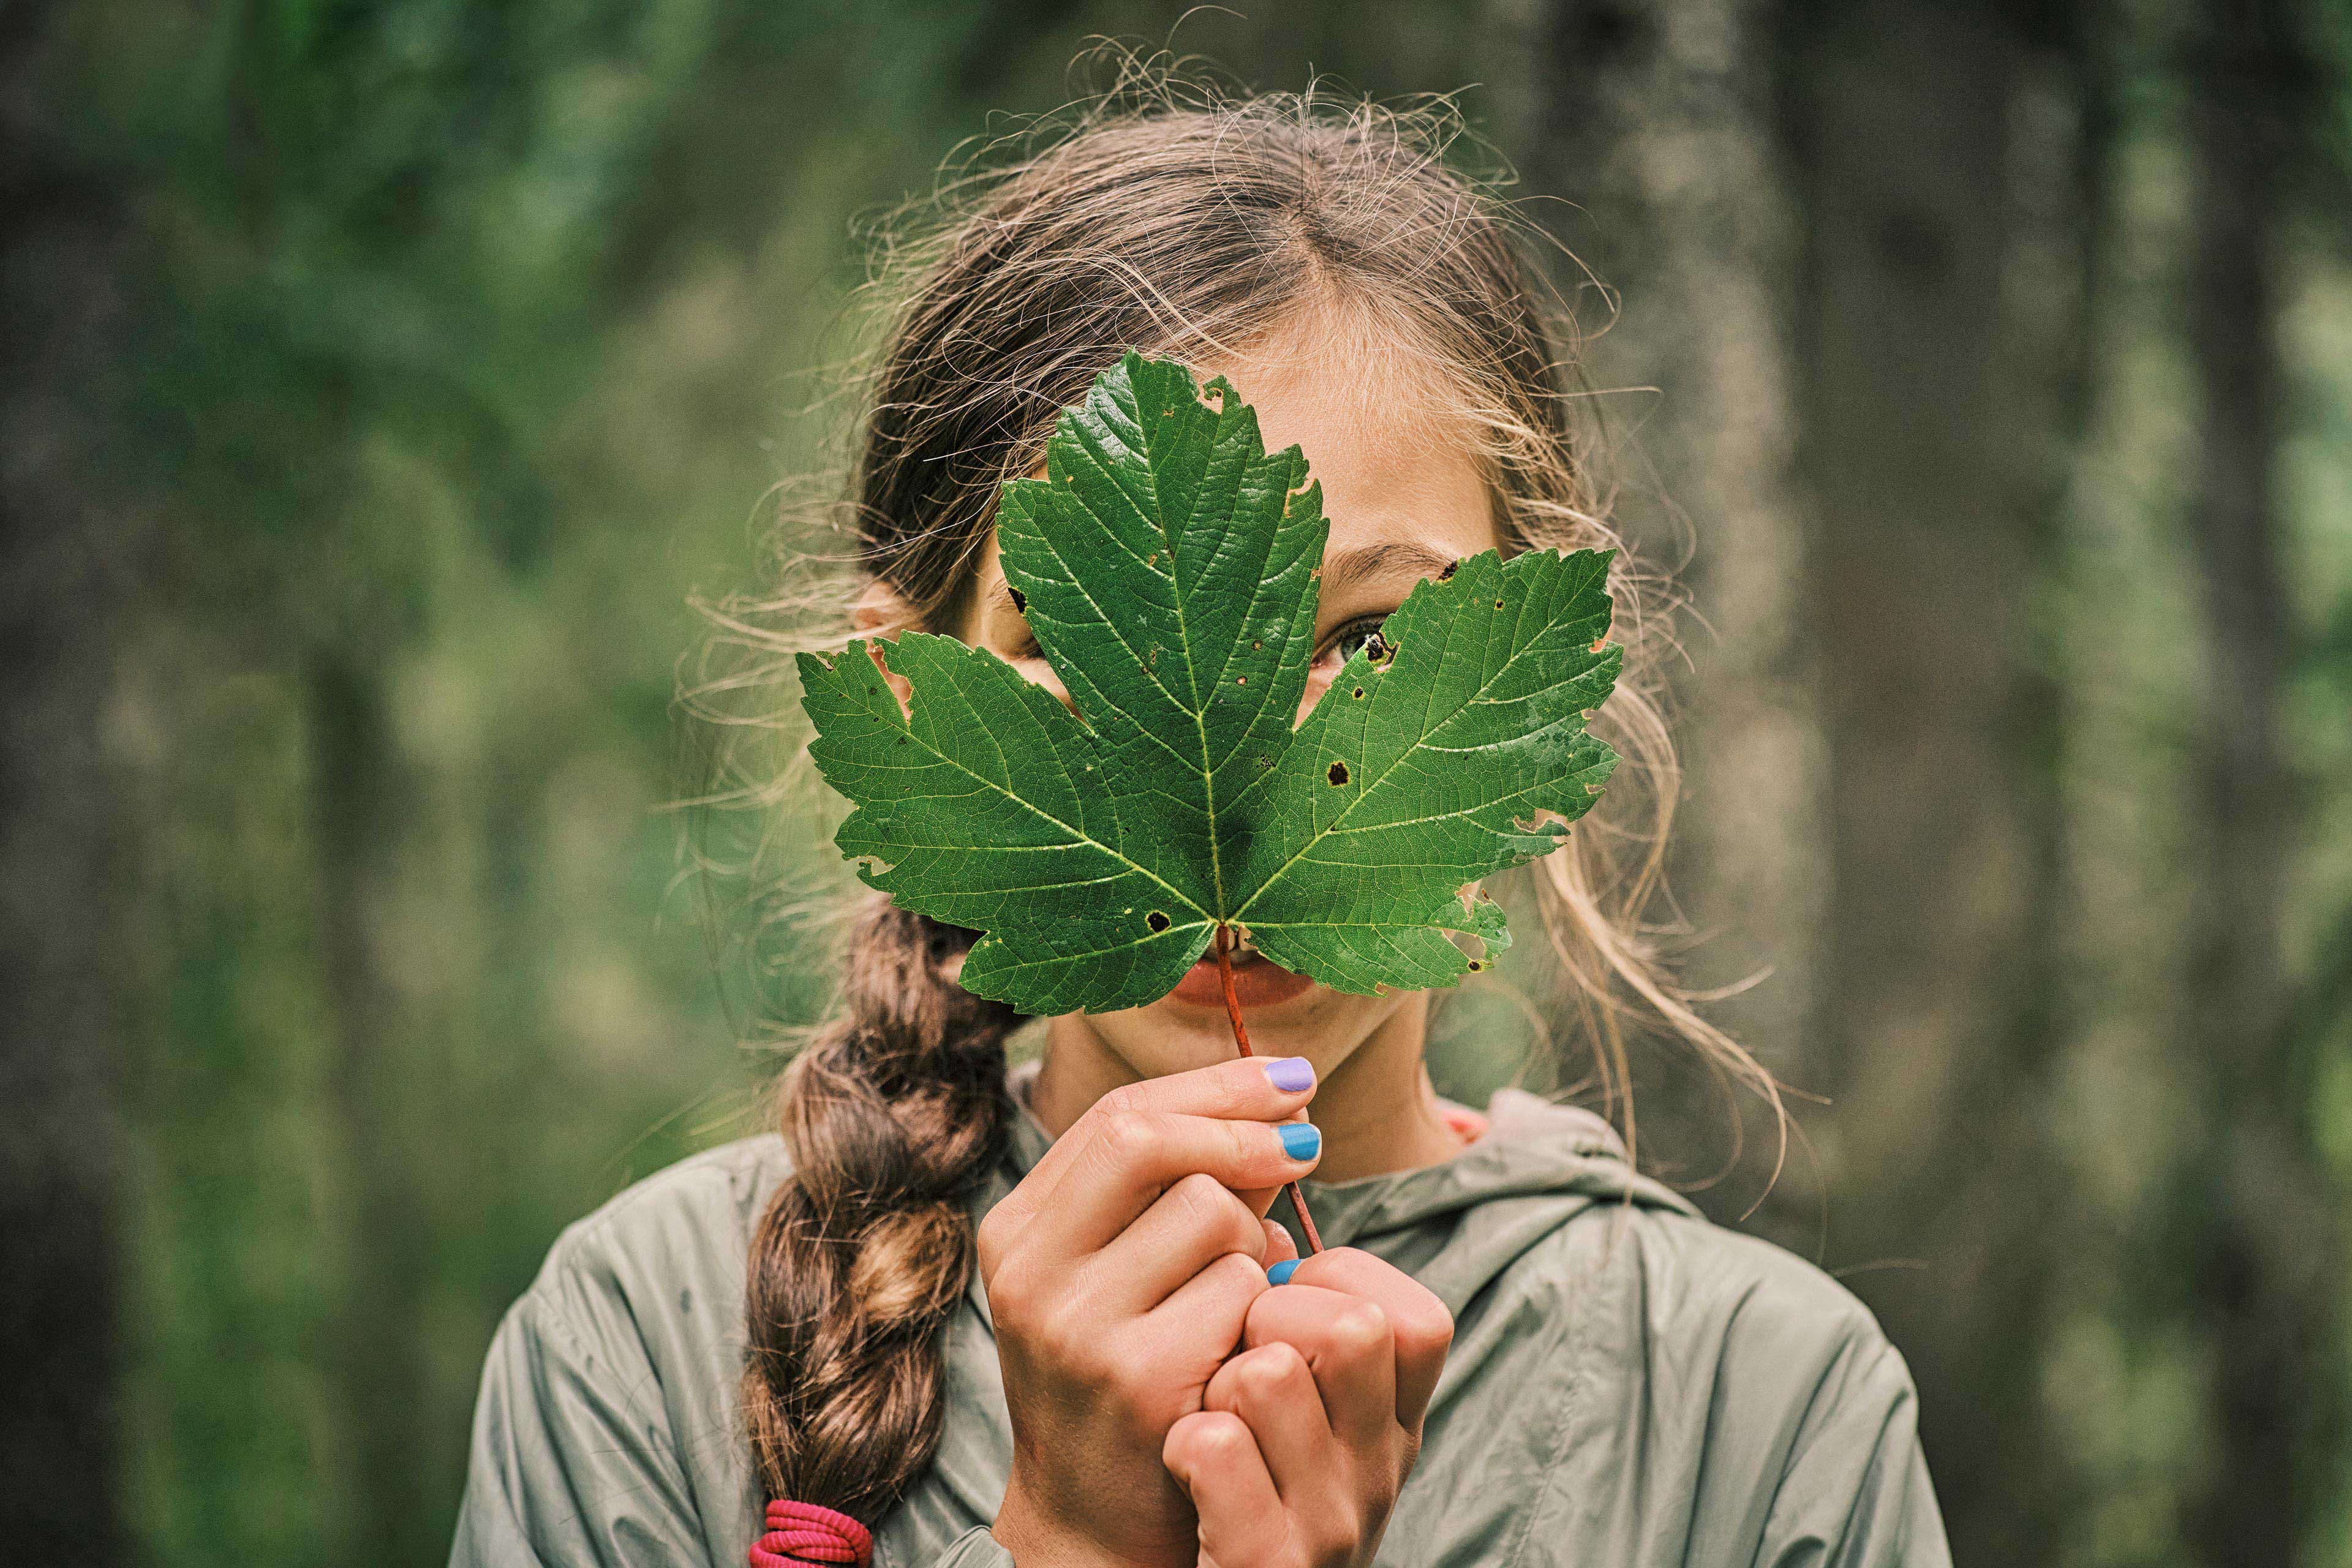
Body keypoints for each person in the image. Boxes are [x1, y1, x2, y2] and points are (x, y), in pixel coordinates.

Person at [449, 87, 1951, 1568]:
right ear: (913, 701)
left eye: (1370, 645)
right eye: (1082, 648)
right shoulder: (644, 1345)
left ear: (1530, 701)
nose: (1232, 793)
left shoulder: (1768, 1414)